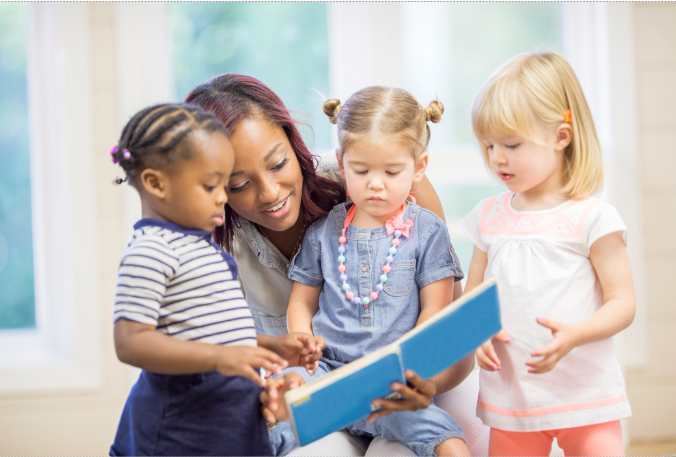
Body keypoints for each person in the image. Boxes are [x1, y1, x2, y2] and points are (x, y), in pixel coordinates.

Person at [185, 75, 487, 456]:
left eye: (278, 163)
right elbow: (290, 318)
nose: (270, 193)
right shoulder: (307, 236)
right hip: (326, 377)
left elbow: (448, 326)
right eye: (239, 184)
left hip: (404, 382)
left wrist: (415, 374)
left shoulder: (408, 209)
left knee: (429, 441)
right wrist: (293, 366)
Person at [108, 103, 323, 456]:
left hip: (232, 430)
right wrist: (219, 359)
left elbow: (215, 335)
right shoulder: (151, 250)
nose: (223, 198)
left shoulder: (203, 248)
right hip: (177, 436)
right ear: (155, 183)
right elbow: (130, 342)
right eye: (212, 186)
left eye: (226, 185)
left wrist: (270, 346)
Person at [278, 86, 470, 456]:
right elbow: (301, 304)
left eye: (392, 171)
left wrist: (417, 368)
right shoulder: (323, 232)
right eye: (361, 170)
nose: (375, 183)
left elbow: (437, 309)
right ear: (341, 161)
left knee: (446, 440)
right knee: (274, 416)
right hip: (328, 375)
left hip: (391, 382)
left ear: (419, 168)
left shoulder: (428, 232)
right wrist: (304, 348)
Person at [462, 51, 636, 456]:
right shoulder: (488, 217)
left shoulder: (593, 218)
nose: (496, 158)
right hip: (513, 399)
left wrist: (576, 334)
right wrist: (475, 331)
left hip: (587, 395)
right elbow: (472, 297)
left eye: (511, 143)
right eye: (488, 145)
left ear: (561, 136)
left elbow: (623, 303)